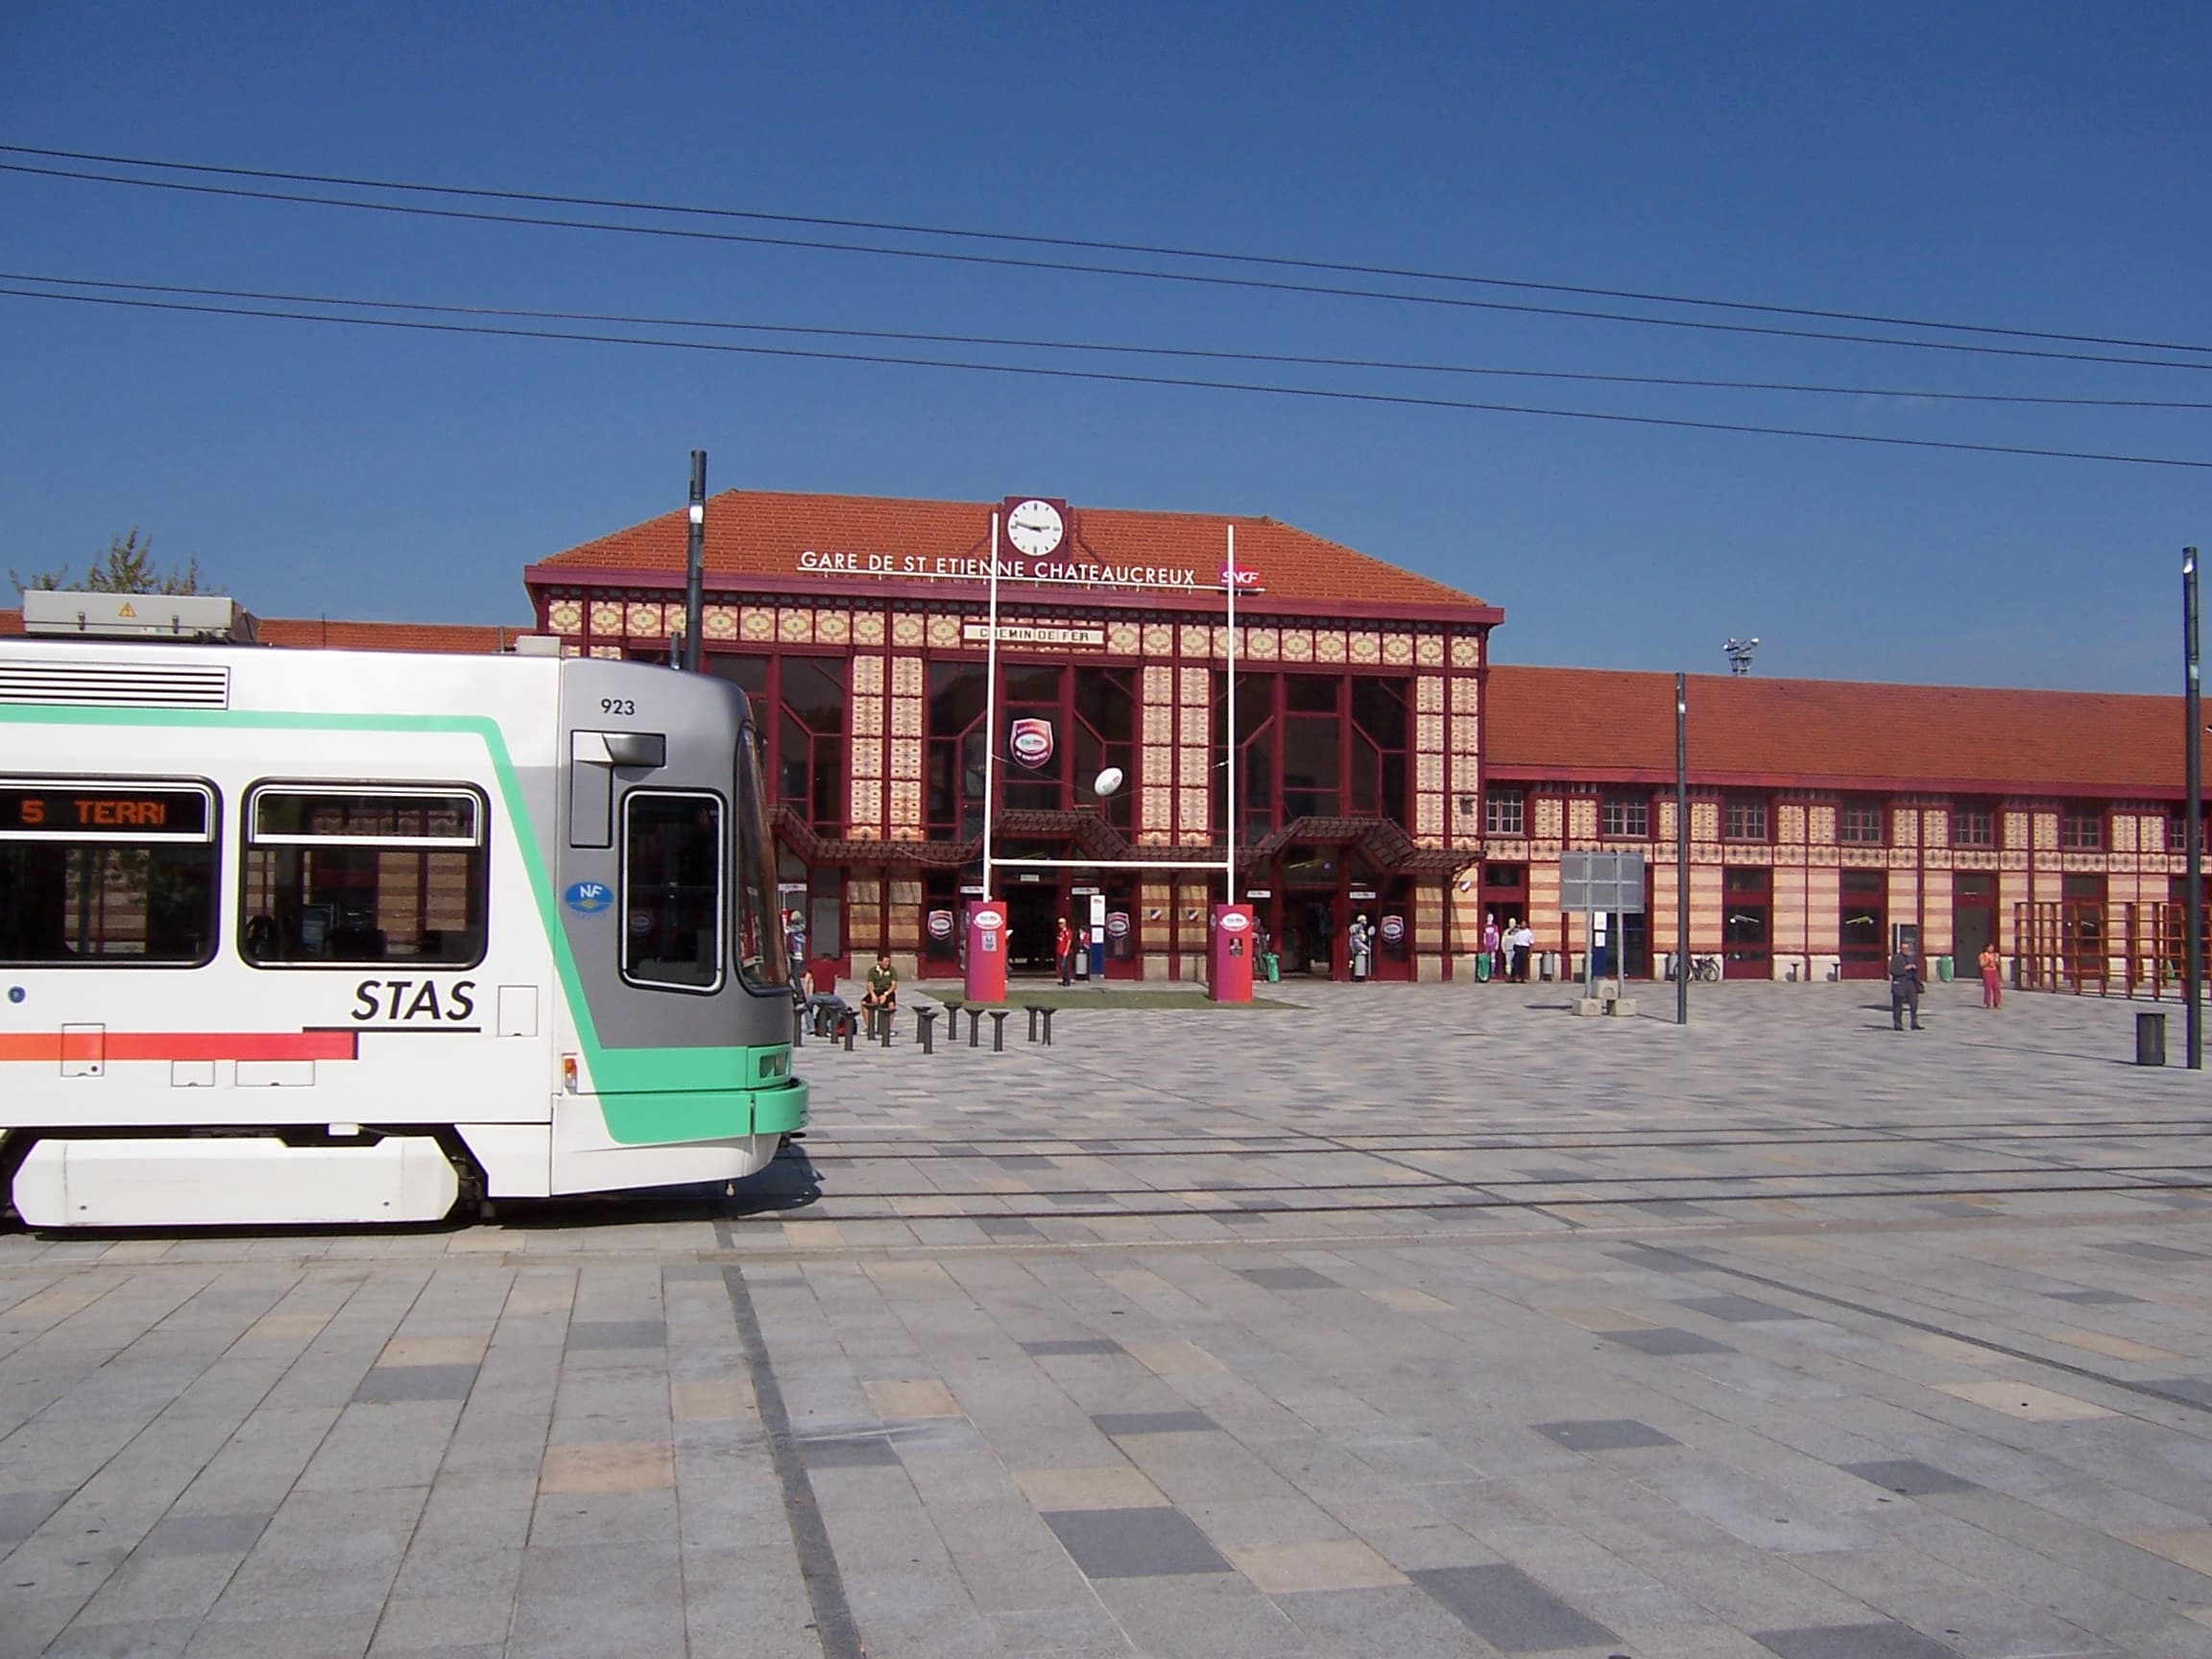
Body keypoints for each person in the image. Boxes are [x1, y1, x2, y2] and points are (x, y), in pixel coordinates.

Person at [861, 950, 899, 1034]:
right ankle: (869, 1027)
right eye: (885, 961)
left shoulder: (891, 970)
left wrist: (885, 994)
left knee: (891, 1005)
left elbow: (894, 985)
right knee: (864, 1003)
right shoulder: (872, 971)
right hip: (876, 990)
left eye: (888, 961)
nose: (887, 963)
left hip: (887, 991)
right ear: (879, 962)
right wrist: (873, 994)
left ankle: (887, 1028)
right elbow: (870, 984)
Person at [1889, 943, 1925, 1031]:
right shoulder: (1896, 958)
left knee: (1914, 1004)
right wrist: (1905, 968)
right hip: (1900, 983)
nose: (1905, 950)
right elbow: (1893, 971)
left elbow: (1919, 970)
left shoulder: (1912, 958)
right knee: (1898, 1005)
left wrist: (1915, 968)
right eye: (1903, 948)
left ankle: (1914, 1023)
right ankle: (1898, 1024)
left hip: (1911, 983)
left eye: (1907, 948)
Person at [1348, 913, 1375, 981]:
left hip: (1358, 943)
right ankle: (1352, 972)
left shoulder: (1361, 928)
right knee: (1367, 950)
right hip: (1356, 943)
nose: (1365, 922)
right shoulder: (1358, 926)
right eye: (1364, 920)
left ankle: (1359, 971)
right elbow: (1352, 930)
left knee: (1358, 955)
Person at [1979, 940, 2002, 1010]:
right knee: (1988, 988)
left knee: (1997, 987)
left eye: (1992, 947)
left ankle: (1997, 1002)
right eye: (1990, 947)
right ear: (1986, 948)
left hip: (1994, 971)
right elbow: (1981, 965)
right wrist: (1988, 962)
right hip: (1987, 972)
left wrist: (1997, 960)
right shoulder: (1982, 955)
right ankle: (1988, 1003)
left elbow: (1998, 964)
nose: (1992, 949)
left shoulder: (1994, 955)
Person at [1480, 912, 1501, 982]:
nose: (1490, 918)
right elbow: (1484, 936)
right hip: (1487, 945)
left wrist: (1497, 944)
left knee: (1493, 958)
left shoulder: (1495, 926)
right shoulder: (1485, 926)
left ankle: (1492, 971)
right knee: (1486, 958)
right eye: (1489, 917)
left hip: (1493, 944)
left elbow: (1496, 935)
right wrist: (1484, 943)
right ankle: (1486, 971)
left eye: (1491, 917)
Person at [1054, 915, 1074, 986]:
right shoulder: (1060, 933)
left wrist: (1066, 951)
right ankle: (1064, 980)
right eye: (1059, 923)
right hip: (1060, 952)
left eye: (1061, 923)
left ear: (1065, 923)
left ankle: (1067, 981)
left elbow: (1069, 941)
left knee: (1065, 967)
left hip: (1065, 953)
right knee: (1061, 967)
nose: (1059, 925)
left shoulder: (1067, 932)